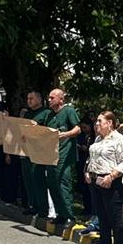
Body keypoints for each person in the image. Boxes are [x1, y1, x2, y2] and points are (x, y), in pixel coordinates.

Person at [85, 111, 123, 244]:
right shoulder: (98, 138)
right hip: (95, 180)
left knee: (115, 217)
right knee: (102, 215)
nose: (97, 124)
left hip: (111, 181)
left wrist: (112, 175)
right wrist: (88, 171)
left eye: (100, 121)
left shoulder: (119, 139)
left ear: (109, 123)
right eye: (96, 121)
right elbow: (92, 157)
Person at [46, 89, 82, 226]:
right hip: (50, 155)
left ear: (61, 99)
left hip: (64, 155)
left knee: (63, 184)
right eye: (48, 98)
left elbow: (77, 129)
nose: (49, 100)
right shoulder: (50, 115)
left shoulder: (69, 111)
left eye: (52, 97)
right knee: (52, 185)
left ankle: (69, 216)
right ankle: (60, 214)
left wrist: (65, 135)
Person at [21, 91, 52, 219]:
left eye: (31, 98)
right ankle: (32, 205)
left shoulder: (46, 113)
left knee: (38, 181)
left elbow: (48, 132)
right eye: (28, 98)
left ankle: (43, 209)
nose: (29, 101)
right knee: (28, 179)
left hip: (39, 151)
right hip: (27, 150)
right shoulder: (27, 114)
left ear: (39, 99)